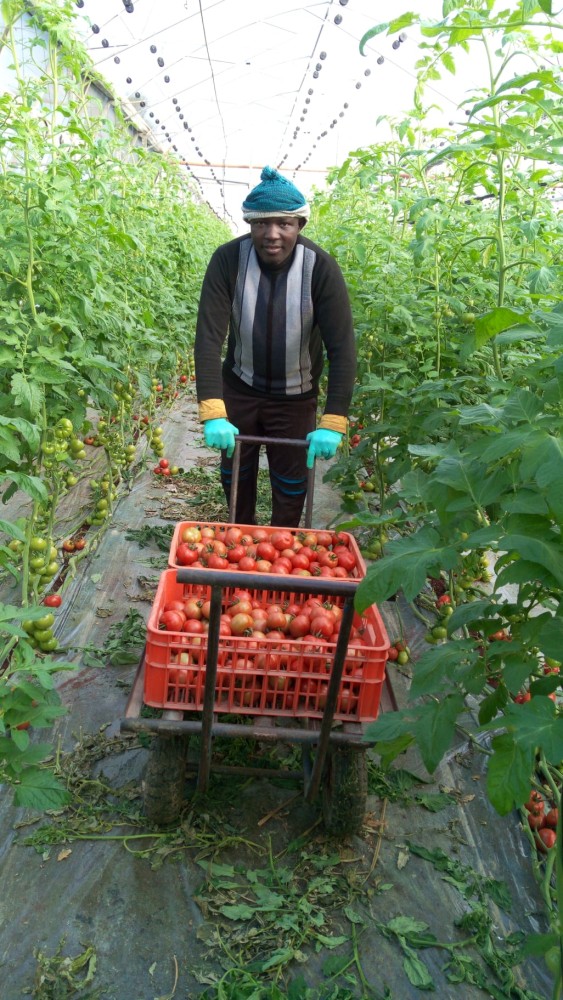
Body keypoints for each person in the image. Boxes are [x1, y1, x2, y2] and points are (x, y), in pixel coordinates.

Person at [194, 165, 356, 527]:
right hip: (240, 387)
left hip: (296, 396)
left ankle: (281, 545)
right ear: (249, 224)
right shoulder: (227, 261)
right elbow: (208, 337)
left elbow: (342, 348)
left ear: (300, 224)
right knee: (236, 473)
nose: (272, 234)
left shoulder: (321, 268)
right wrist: (213, 410)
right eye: (262, 223)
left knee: (292, 480)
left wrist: (334, 420)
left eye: (284, 223)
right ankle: (239, 535)